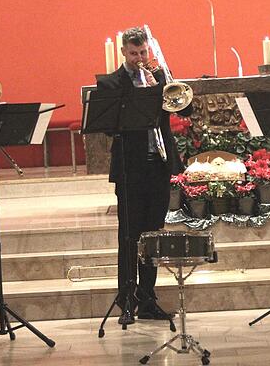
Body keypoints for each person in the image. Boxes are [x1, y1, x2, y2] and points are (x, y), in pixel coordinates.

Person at [96, 27, 193, 325]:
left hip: (158, 166)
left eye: (143, 53)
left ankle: (148, 299)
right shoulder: (111, 83)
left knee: (153, 235)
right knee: (129, 235)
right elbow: (109, 126)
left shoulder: (160, 77)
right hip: (130, 168)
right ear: (124, 52)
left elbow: (184, 111)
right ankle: (127, 299)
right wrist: (140, 96)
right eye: (134, 53)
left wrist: (162, 89)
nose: (140, 58)